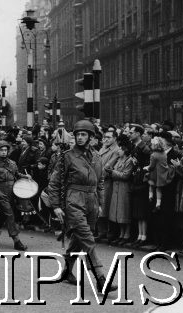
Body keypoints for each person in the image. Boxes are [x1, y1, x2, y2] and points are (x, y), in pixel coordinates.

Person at [48, 119, 117, 293]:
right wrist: (56, 205)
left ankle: (66, 271)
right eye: (77, 134)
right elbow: (55, 183)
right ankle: (101, 278)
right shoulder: (67, 157)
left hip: (92, 201)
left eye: (83, 134)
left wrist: (100, 203)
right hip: (74, 201)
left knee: (79, 239)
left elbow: (100, 182)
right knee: (87, 238)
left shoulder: (96, 157)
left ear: (91, 137)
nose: (79, 137)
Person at [0, 141, 28, 251]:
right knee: (10, 215)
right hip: (1, 193)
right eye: (1, 150)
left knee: (2, 217)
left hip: (13, 192)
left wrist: (25, 176)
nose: (4, 152)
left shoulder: (12, 163)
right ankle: (16, 241)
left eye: (5, 150)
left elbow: (16, 174)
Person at [106, 135, 134, 246]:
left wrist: (112, 172)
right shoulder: (118, 159)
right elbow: (107, 167)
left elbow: (126, 175)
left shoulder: (129, 160)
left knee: (124, 213)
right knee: (118, 213)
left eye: (121, 149)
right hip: (116, 188)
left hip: (124, 188)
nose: (118, 151)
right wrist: (114, 161)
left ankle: (126, 235)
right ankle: (121, 234)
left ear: (125, 150)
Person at [97, 129, 119, 243]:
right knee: (100, 206)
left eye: (109, 137)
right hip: (99, 181)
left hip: (107, 182)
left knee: (106, 207)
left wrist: (98, 175)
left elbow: (108, 167)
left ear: (115, 138)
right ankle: (101, 231)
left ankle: (107, 232)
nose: (106, 139)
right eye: (105, 137)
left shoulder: (116, 150)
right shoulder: (103, 148)